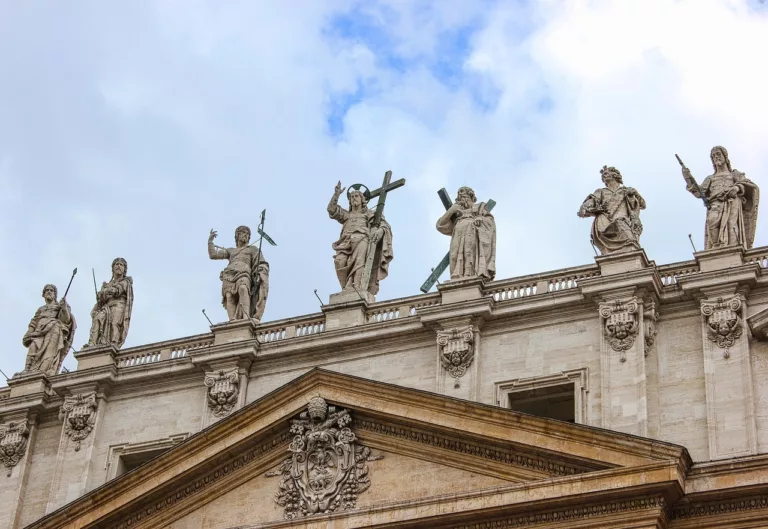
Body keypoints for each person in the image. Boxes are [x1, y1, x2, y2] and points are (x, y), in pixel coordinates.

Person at [684, 146, 759, 249]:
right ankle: (716, 249)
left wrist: (737, 188)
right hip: (715, 204)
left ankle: (733, 251)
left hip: (732, 202)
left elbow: (748, 184)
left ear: (725, 156)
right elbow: (699, 192)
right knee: (712, 221)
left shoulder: (734, 174)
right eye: (713, 156)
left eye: (718, 154)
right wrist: (688, 178)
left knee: (731, 226)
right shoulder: (711, 178)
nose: (716, 157)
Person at [328, 181, 393, 295]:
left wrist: (380, 231)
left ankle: (357, 287)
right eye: (352, 197)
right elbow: (331, 210)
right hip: (345, 243)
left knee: (359, 262)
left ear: (362, 199)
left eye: (356, 196)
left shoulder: (367, 213)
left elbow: (384, 224)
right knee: (339, 261)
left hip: (362, 239)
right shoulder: (346, 215)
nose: (354, 198)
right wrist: (336, 195)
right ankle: (346, 289)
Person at [578, 166, 646, 255]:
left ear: (614, 175)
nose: (603, 177)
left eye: (606, 174)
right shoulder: (601, 191)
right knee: (628, 239)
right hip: (604, 220)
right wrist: (585, 207)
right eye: (602, 176)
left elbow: (642, 205)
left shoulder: (626, 190)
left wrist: (634, 194)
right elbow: (592, 201)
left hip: (622, 220)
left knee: (630, 239)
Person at [208, 225, 269, 322]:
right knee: (229, 296)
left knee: (243, 289)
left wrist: (260, 272)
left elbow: (261, 262)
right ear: (237, 236)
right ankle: (232, 320)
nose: (245, 235)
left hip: (244, 273)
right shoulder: (231, 250)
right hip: (229, 274)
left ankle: (245, 319)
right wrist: (210, 242)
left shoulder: (253, 249)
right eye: (242, 233)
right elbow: (213, 255)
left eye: (247, 233)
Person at [436, 186, 496, 281]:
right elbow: (440, 225)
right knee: (453, 255)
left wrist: (480, 219)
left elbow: (490, 222)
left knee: (469, 254)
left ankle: (469, 277)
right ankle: (456, 277)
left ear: (471, 197)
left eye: (465, 197)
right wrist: (452, 210)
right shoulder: (456, 213)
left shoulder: (480, 207)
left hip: (472, 232)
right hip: (457, 234)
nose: (463, 200)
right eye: (460, 198)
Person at [22, 284, 76, 376]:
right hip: (38, 333)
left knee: (49, 352)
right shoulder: (41, 309)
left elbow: (66, 320)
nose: (49, 292)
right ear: (43, 294)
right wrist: (28, 333)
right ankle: (27, 371)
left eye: (51, 290)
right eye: (47, 290)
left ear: (55, 294)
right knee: (33, 347)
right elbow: (34, 322)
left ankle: (44, 371)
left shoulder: (60, 306)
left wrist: (63, 308)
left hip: (53, 331)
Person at [86, 257, 133, 348]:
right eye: (117, 264)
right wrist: (100, 297)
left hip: (118, 305)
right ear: (113, 268)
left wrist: (105, 291)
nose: (119, 266)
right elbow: (102, 300)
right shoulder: (107, 284)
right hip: (107, 306)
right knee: (98, 318)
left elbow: (117, 290)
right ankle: (92, 343)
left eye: (121, 265)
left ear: (124, 269)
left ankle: (113, 344)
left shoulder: (125, 281)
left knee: (114, 324)